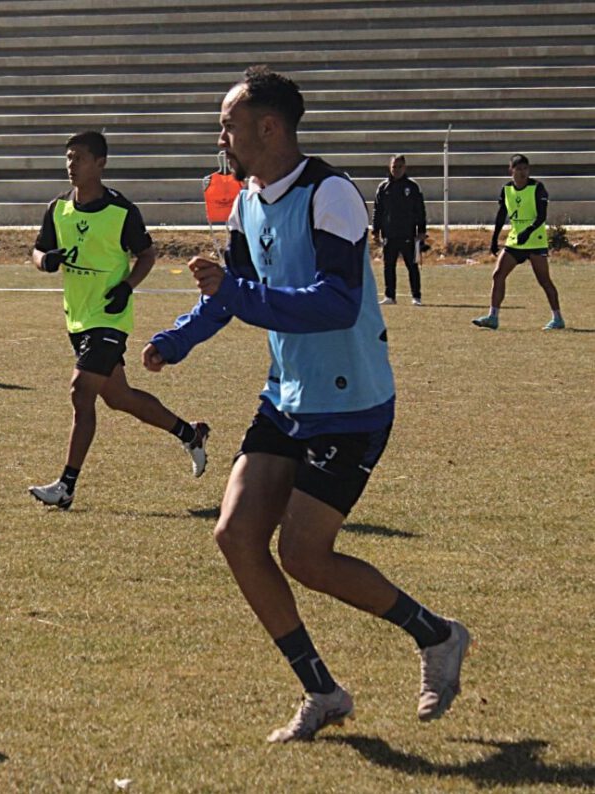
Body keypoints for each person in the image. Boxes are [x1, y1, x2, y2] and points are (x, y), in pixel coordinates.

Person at [142, 67, 471, 743]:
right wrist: (178, 339)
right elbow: (230, 293)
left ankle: (436, 635)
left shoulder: (333, 195)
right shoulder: (246, 202)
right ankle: (322, 691)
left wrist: (233, 297)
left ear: (269, 128)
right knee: (235, 536)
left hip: (350, 407)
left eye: (229, 124)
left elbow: (333, 302)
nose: (221, 137)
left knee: (304, 555)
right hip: (286, 398)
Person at [29, 130, 209, 510]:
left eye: (78, 158)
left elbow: (147, 254)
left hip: (109, 318)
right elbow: (38, 248)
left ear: (100, 163)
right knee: (118, 397)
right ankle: (189, 433)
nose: (71, 165)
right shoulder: (57, 208)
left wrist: (127, 287)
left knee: (81, 391)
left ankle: (66, 486)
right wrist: (45, 261)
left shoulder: (122, 210)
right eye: (68, 158)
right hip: (77, 317)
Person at [473, 154, 565, 330]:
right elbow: (502, 215)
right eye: (519, 169)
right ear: (511, 170)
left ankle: (558, 318)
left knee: (544, 280)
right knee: (498, 274)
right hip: (515, 240)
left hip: (535, 241)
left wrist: (528, 231)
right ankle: (493, 316)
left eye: (525, 169)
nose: (523, 172)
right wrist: (494, 238)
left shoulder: (538, 188)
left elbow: (542, 216)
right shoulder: (507, 189)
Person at [372, 155, 427, 306]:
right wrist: (376, 231)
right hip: (389, 233)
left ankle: (416, 296)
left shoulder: (412, 187)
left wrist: (421, 230)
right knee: (388, 265)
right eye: (394, 167)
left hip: (408, 233)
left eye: (399, 167)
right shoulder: (383, 188)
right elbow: (378, 210)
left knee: (412, 266)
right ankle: (390, 296)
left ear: (405, 167)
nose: (396, 170)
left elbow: (420, 210)